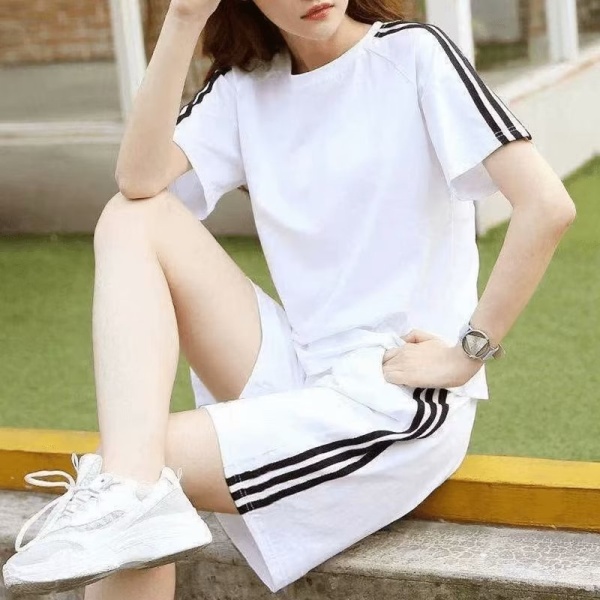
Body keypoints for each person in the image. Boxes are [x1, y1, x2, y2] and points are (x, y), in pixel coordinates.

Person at [3, 0, 576, 597]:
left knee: (138, 463)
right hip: (300, 369)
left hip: (391, 397)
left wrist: (466, 354)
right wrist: (183, 20)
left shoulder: (413, 56)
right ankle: (127, 501)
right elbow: (139, 181)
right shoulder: (246, 87)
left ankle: (127, 499)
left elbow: (547, 206)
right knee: (130, 218)